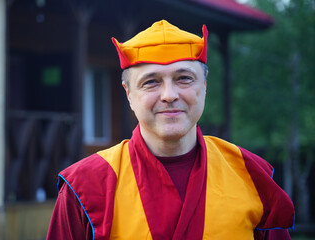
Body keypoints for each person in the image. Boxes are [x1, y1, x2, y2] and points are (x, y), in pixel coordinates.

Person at [46, 20, 294, 240]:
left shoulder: (249, 173)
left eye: (184, 78)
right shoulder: (85, 186)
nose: (169, 95)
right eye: (151, 82)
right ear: (129, 94)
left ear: (204, 87)